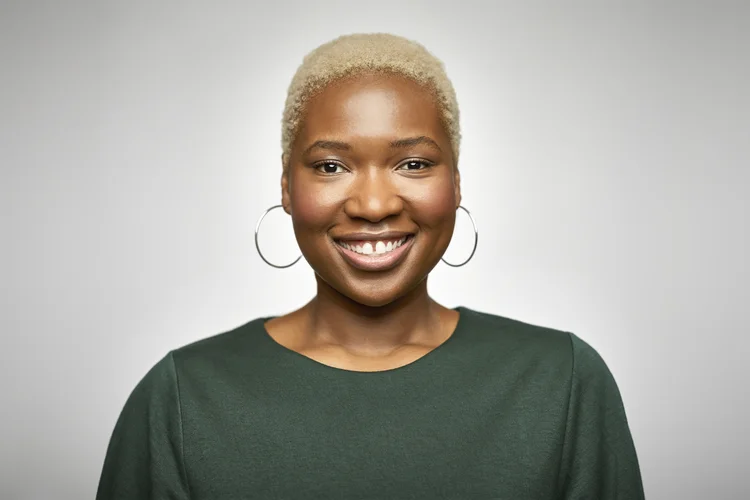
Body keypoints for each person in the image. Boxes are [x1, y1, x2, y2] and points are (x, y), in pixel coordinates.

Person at [96, 33, 645, 499]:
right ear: (287, 187)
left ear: (455, 183)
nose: (374, 204)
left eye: (413, 163)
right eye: (332, 166)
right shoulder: (183, 397)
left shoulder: (560, 382)